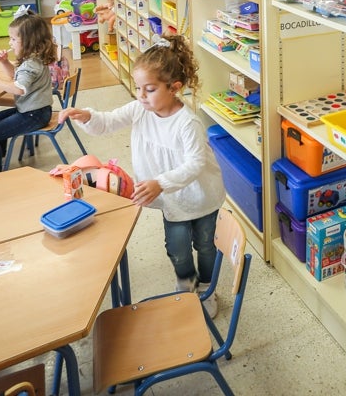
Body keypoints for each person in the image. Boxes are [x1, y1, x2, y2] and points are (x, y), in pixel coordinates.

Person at [60, 34, 225, 316]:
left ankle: (208, 289)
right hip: (171, 200)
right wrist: (87, 116)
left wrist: (160, 182)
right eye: (138, 88)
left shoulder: (188, 123)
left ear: (174, 87)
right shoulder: (140, 110)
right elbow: (109, 121)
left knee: (206, 245)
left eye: (149, 89)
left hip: (200, 197)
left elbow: (195, 163)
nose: (140, 95)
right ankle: (187, 285)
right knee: (178, 248)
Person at [0, 10, 56, 171]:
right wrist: (4, 63)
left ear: (29, 41)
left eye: (14, 39)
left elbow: (18, 89)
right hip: (35, 111)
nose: (10, 43)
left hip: (34, 115)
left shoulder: (30, 65)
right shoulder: (33, 59)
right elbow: (17, 78)